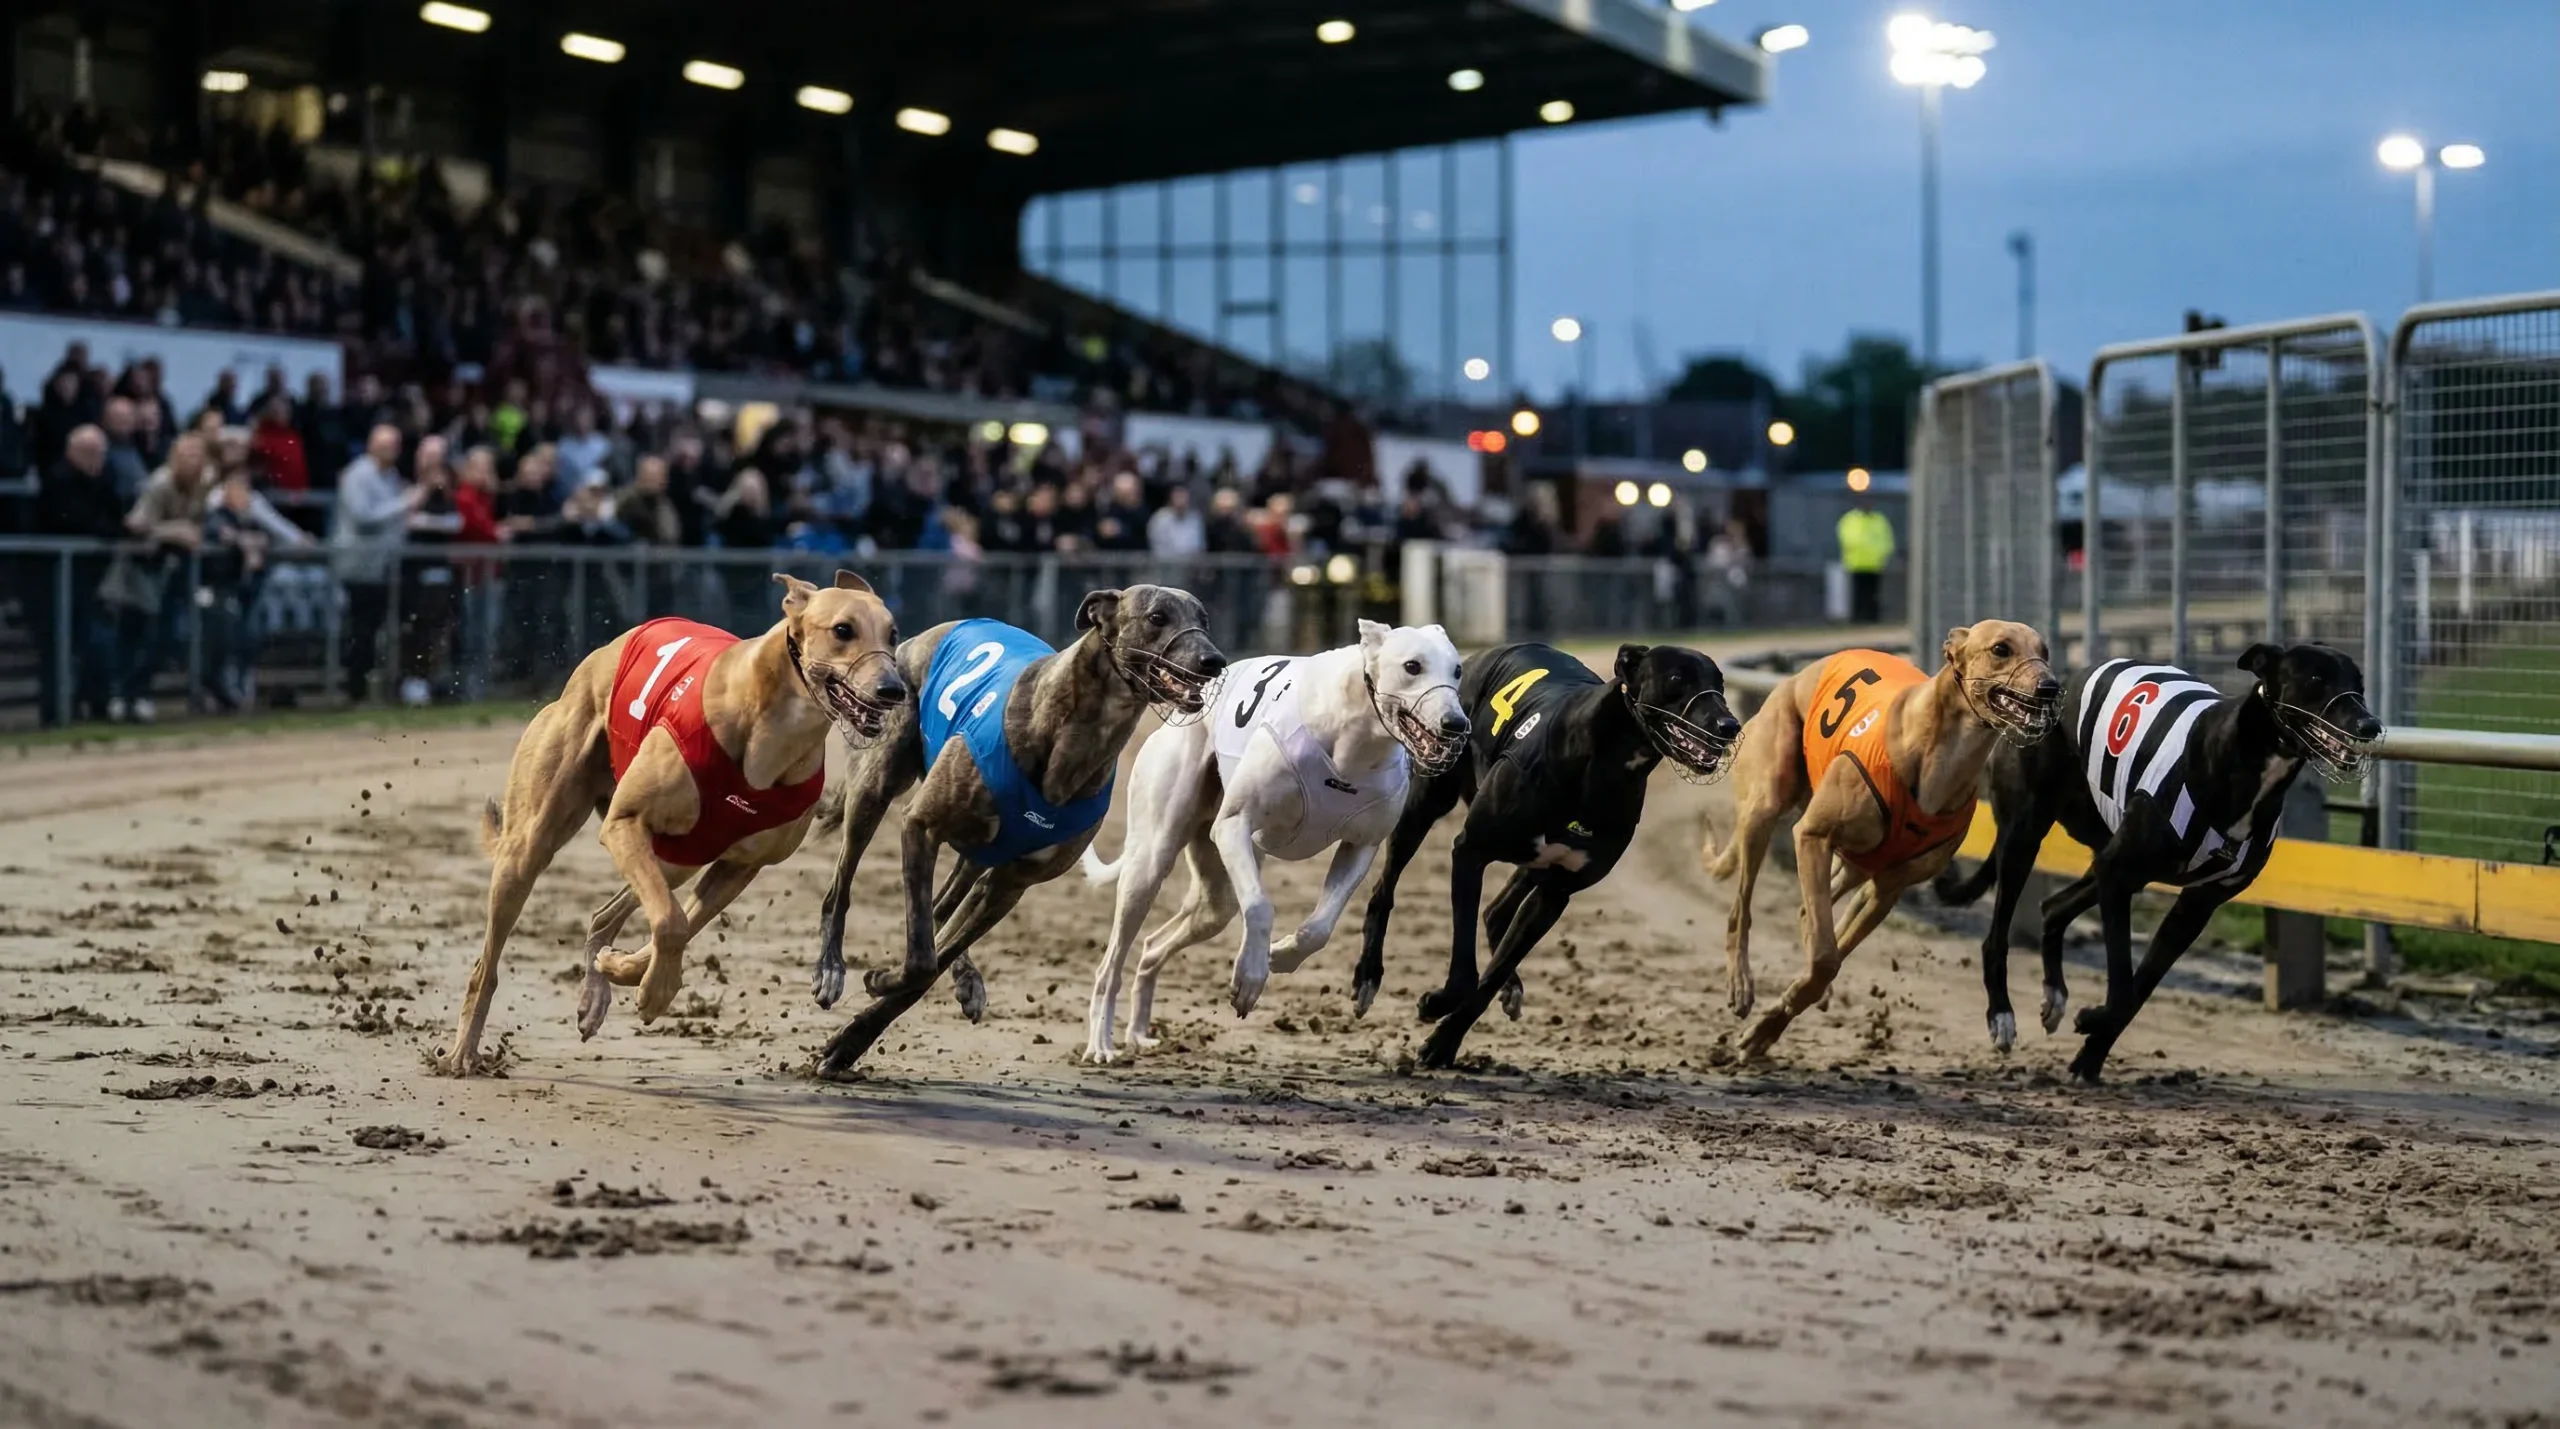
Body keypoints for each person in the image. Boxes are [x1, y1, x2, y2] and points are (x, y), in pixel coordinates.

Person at [115, 432, 216, 721]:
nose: (193, 462)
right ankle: (124, 696)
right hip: (139, 567)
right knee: (137, 634)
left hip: (171, 570)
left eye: (197, 456)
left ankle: (139, 693)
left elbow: (200, 523)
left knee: (165, 635)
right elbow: (135, 524)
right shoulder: (159, 483)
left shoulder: (202, 486)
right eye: (187, 456)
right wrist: (175, 531)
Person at [31, 426, 125, 723]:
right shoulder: (58, 479)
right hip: (54, 579)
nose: (97, 460)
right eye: (91, 453)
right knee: (58, 648)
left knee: (94, 643)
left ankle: (94, 704)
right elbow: (76, 521)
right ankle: (56, 711)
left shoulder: (102, 480)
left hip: (90, 579)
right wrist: (112, 530)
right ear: (73, 452)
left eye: (100, 453)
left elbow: (116, 516)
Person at [329, 424, 416, 701]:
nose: (391, 450)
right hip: (357, 565)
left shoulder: (391, 476)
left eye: (395, 445)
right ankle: (352, 688)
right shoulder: (358, 474)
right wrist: (405, 503)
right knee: (359, 628)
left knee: (374, 626)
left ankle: (369, 685)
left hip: (382, 566)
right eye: (385, 444)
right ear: (371, 445)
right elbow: (363, 517)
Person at [398, 435, 464, 705]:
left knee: (439, 628)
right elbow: (407, 520)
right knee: (416, 628)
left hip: (441, 573)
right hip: (414, 574)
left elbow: (456, 522)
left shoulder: (447, 494)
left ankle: (432, 678)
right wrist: (423, 492)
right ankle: (411, 679)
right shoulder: (409, 487)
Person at [1836, 497, 1896, 625]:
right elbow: (1845, 537)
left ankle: (1871, 617)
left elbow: (1887, 539)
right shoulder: (1851, 519)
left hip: (1874, 562)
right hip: (1856, 562)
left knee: (1872, 592)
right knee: (1858, 592)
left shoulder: (1879, 520)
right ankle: (1858, 617)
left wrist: (1884, 554)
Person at [1147, 483, 1205, 558]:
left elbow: (1200, 547)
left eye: (1183, 496)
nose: (1181, 500)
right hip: (1166, 563)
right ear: (1171, 498)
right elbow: (1158, 549)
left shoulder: (1195, 519)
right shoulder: (1159, 519)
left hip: (1192, 563)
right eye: (1178, 496)